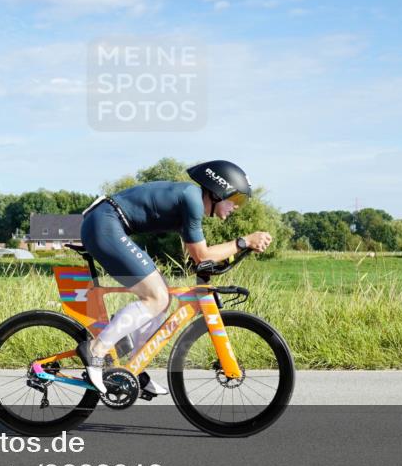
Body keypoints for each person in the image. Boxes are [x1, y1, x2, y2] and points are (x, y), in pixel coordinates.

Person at [77, 160, 272, 397]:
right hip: (105, 224)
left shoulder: (189, 202)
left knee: (163, 297)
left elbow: (201, 263)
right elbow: (202, 255)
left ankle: (135, 368)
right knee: (156, 297)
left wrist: (205, 291)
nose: (237, 207)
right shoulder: (191, 199)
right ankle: (96, 350)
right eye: (236, 199)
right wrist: (244, 242)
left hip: (107, 223)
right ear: (219, 190)